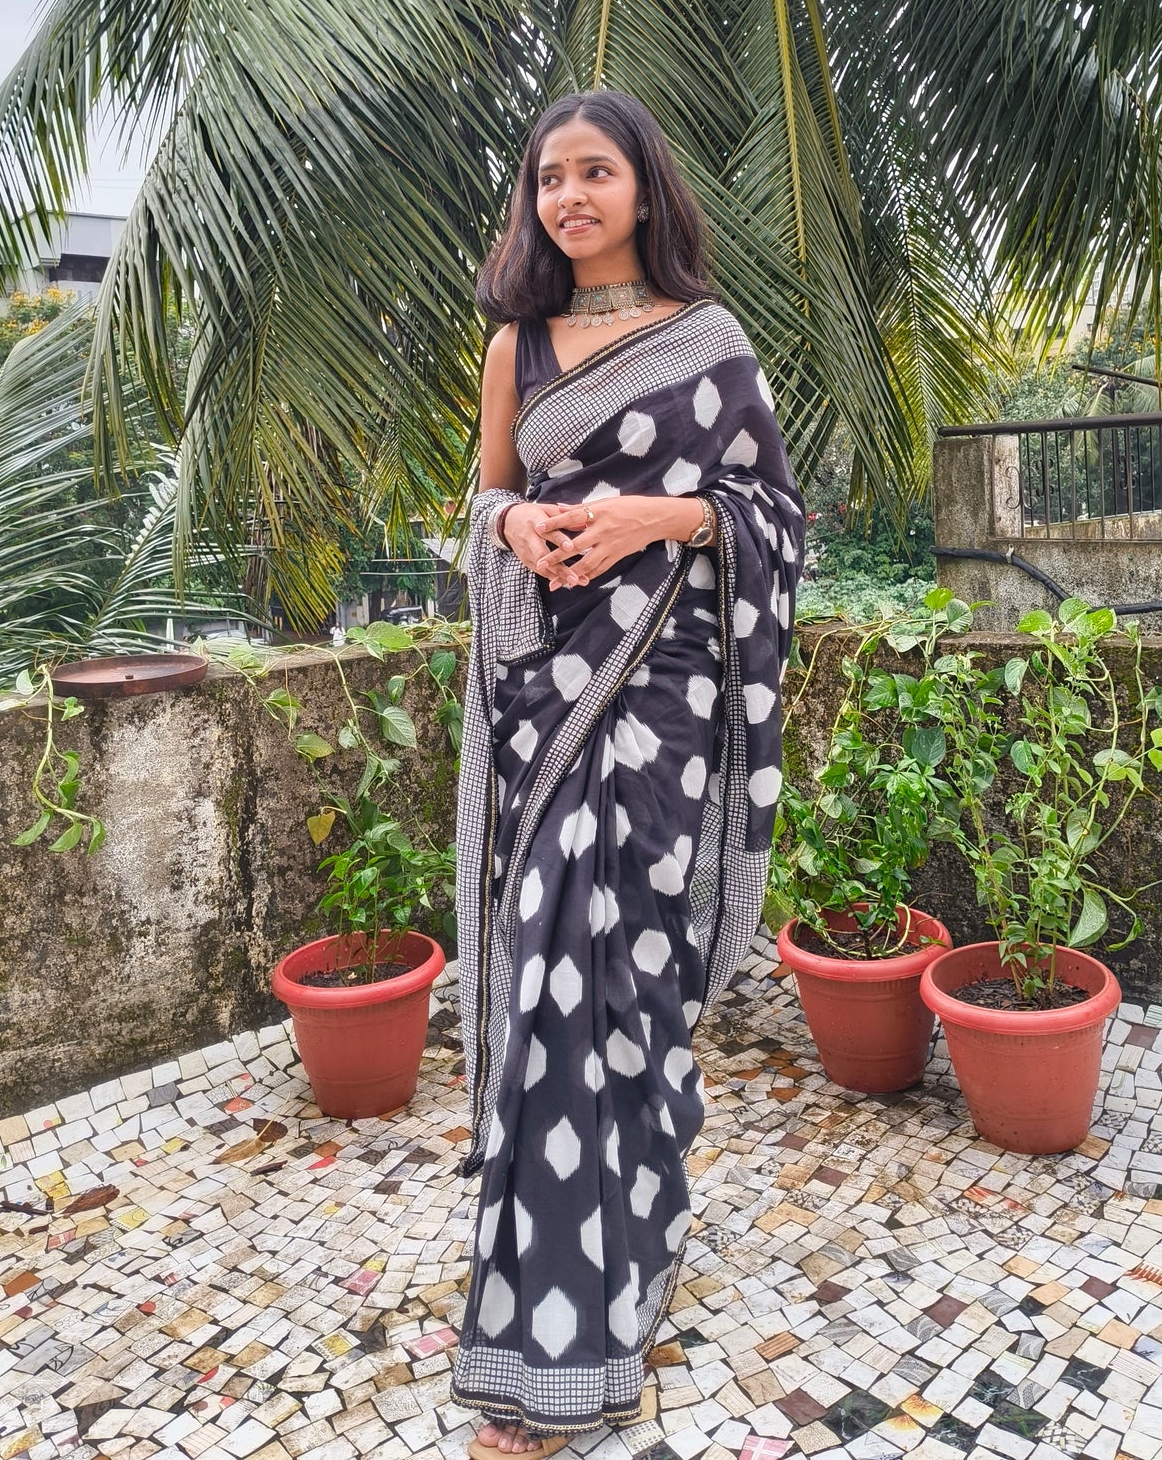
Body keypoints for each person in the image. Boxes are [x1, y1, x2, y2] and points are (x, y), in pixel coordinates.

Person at [450, 91, 805, 1457]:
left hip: (661, 701)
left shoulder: (708, 343)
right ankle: (545, 1328)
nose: (570, 197)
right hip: (547, 698)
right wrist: (519, 521)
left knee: (627, 977)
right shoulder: (515, 347)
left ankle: (635, 1241)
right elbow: (479, 504)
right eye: (550, 177)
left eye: (596, 172)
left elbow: (775, 514)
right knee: (550, 976)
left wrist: (666, 514)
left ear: (644, 189)